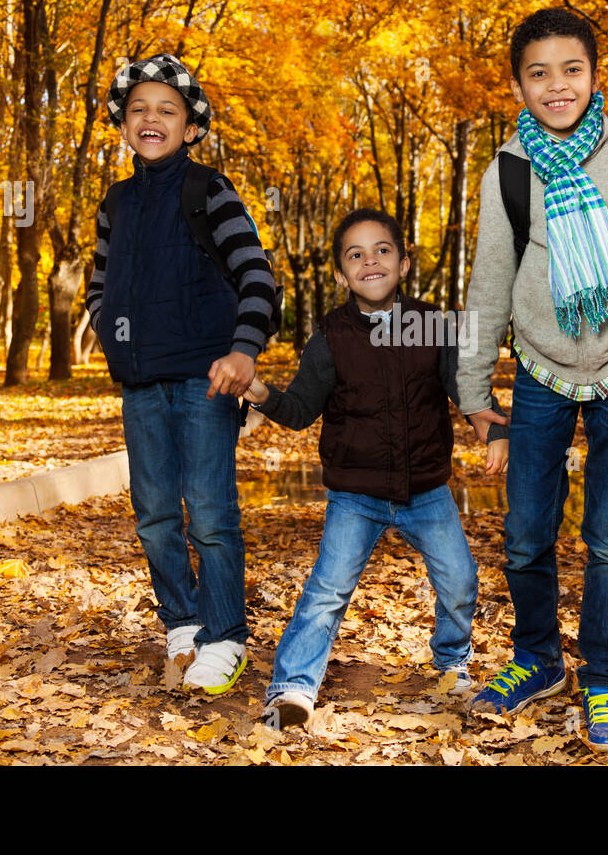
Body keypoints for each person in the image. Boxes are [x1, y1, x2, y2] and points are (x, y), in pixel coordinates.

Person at [457, 8, 608, 751]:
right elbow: (488, 286)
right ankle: (537, 660)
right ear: (517, 85)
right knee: (526, 533)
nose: (556, 85)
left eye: (571, 69)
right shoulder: (506, 171)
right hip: (537, 372)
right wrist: (473, 390)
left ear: (594, 76)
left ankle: (603, 675)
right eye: (539, 73)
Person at [244, 209, 509, 729]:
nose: (371, 260)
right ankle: (293, 688)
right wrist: (259, 392)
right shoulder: (330, 338)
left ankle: (451, 663)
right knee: (327, 591)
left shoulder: (433, 325)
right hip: (355, 493)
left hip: (427, 490)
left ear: (404, 263)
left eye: (382, 249)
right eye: (355, 254)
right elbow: (300, 409)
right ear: (342, 276)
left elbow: (466, 390)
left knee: (460, 581)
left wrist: (492, 427)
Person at [85, 53, 276, 695]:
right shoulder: (115, 202)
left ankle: (226, 637)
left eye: (168, 109)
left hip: (205, 381)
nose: (151, 117)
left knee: (212, 516)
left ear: (190, 128)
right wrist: (114, 336)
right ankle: (183, 622)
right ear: (123, 125)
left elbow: (256, 275)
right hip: (140, 385)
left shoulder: (208, 191)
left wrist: (244, 349)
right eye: (138, 108)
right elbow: (100, 285)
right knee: (155, 514)